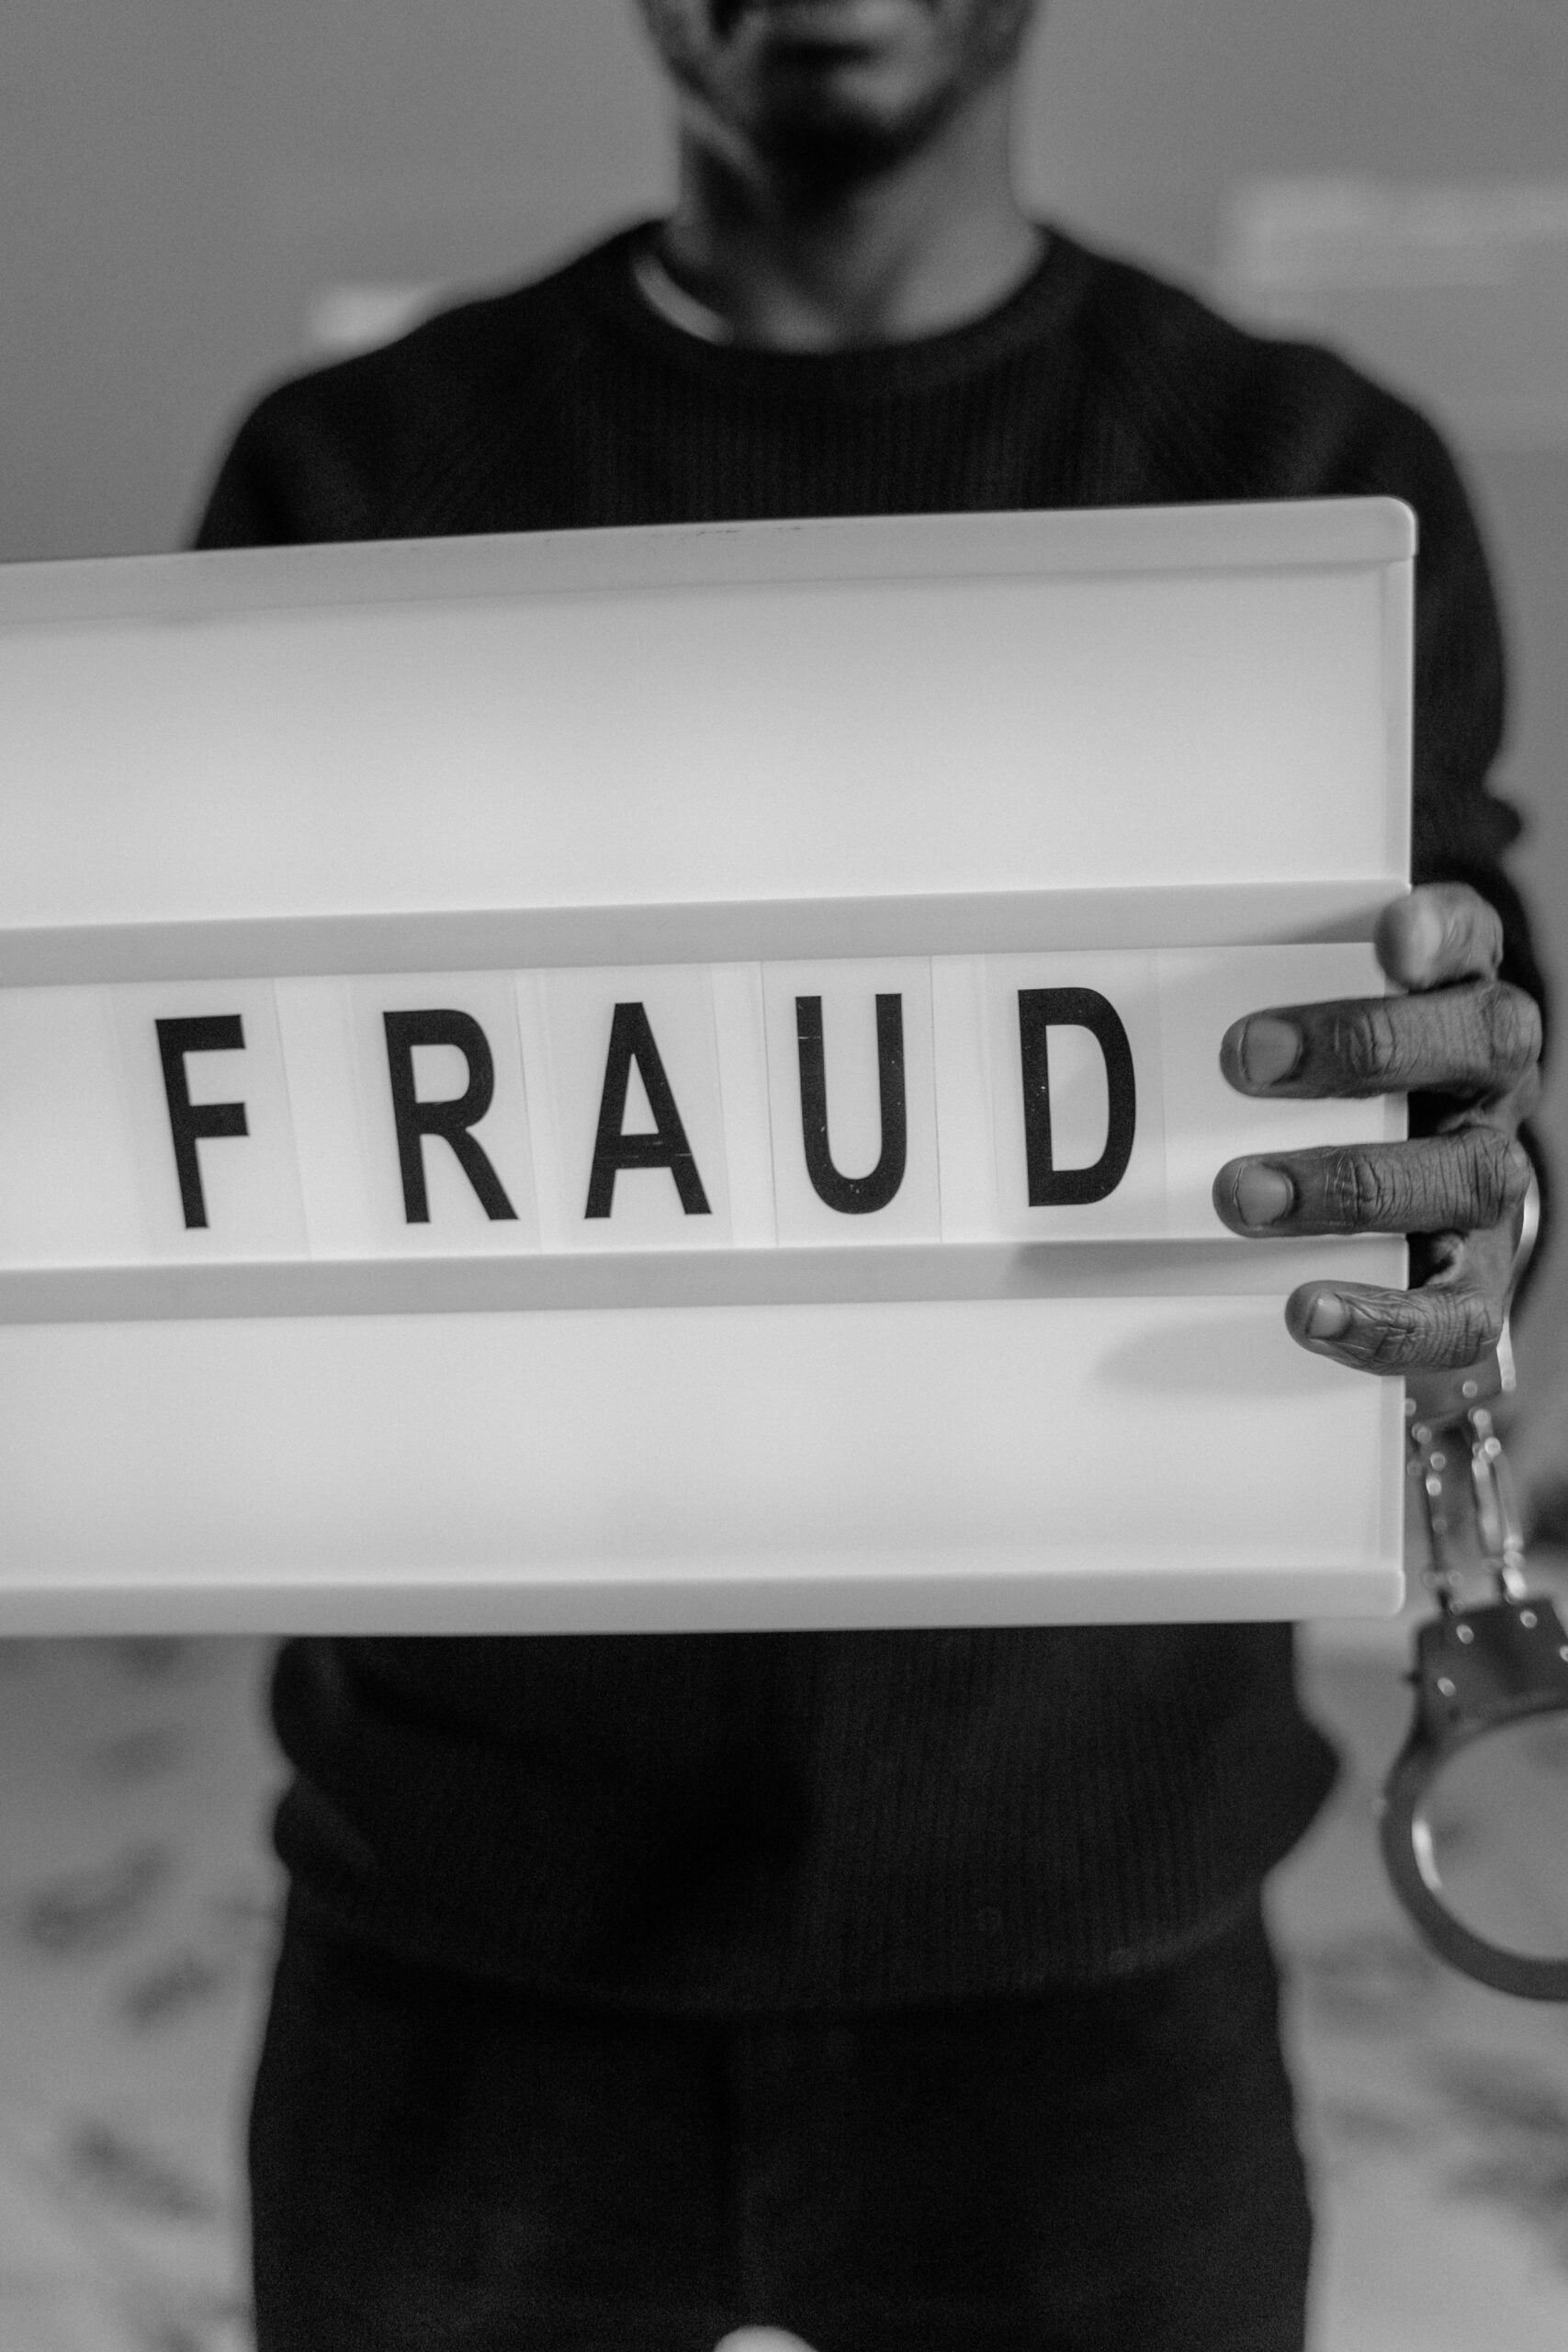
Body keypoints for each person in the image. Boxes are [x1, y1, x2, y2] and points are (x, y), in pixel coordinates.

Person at [194, 5, 1547, 2347]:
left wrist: (1458, 1163)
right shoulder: (356, 472)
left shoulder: (1301, 476)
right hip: (469, 1900)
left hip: (1090, 1914)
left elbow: (1449, 1102)